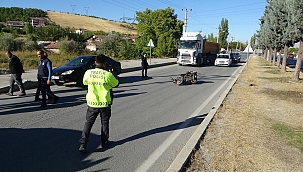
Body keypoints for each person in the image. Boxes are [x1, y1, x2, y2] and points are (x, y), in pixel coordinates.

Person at [79, 54, 119, 153]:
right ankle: (104, 142)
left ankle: (83, 144)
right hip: (104, 103)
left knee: (88, 123)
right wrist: (112, 74)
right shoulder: (107, 75)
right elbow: (116, 84)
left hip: (92, 103)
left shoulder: (88, 73)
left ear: (95, 62)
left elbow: (84, 82)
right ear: (105, 63)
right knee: (104, 123)